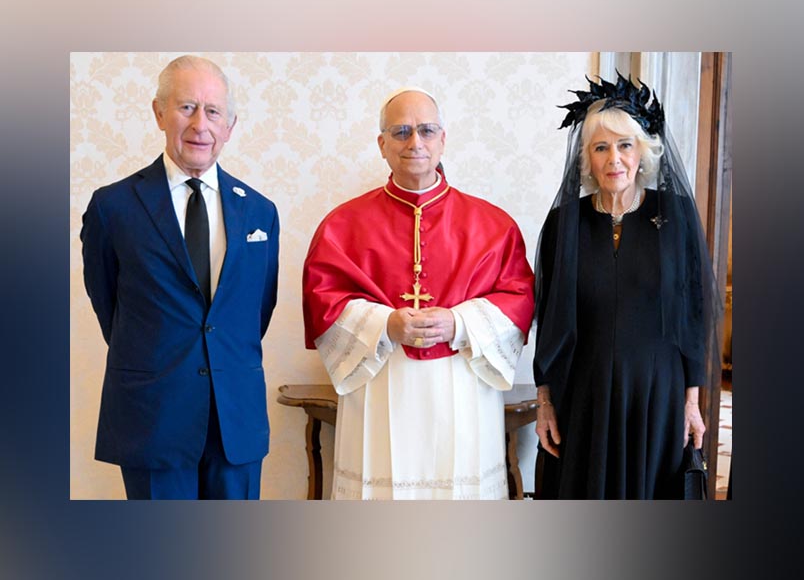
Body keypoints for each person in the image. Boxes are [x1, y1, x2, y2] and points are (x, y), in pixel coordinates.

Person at [302, 87, 535, 499]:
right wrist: (385, 323)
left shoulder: (493, 225)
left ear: (443, 139)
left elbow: (518, 297)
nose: (415, 143)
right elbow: (323, 299)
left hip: (463, 382)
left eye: (427, 130)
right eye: (401, 132)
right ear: (382, 144)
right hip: (380, 378)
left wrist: (458, 322)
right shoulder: (342, 225)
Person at [81, 55, 280, 499]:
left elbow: (257, 310)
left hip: (235, 419)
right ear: (159, 112)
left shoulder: (260, 212)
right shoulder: (113, 208)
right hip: (153, 415)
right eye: (186, 107)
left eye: (213, 112)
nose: (200, 125)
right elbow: (109, 304)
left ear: (230, 125)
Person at [532, 73, 722, 499]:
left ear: (643, 152)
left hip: (657, 392)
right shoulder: (565, 222)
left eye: (624, 145)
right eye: (601, 148)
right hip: (585, 392)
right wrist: (545, 401)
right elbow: (548, 318)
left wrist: (691, 401)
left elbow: (693, 310)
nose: (614, 159)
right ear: (587, 158)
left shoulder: (674, 215)